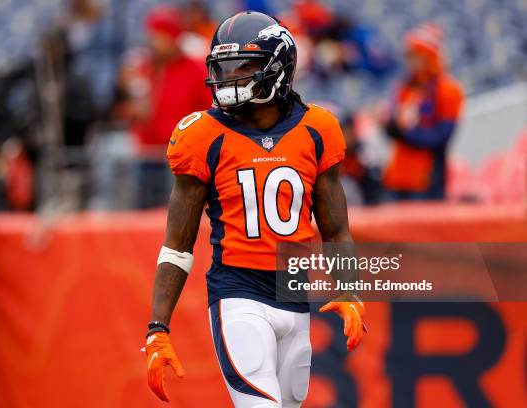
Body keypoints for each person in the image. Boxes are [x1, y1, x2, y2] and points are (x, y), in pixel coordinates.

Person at [143, 12, 366, 407]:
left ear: (277, 68)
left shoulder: (318, 129)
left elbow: (336, 231)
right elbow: (177, 247)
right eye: (223, 67)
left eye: (243, 67)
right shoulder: (202, 135)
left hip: (295, 296)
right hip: (239, 294)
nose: (228, 79)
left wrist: (349, 290)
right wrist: (158, 329)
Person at [114, 5, 210, 208]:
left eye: (160, 36)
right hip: (145, 153)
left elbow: (209, 112)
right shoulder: (144, 67)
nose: (154, 42)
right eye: (152, 36)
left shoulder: (195, 69)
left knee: (174, 203)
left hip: (179, 155)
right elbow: (131, 112)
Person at [382, 23, 464, 200]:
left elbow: (441, 136)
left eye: (415, 56)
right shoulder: (404, 87)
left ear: (429, 56)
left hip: (426, 179)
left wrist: (405, 134)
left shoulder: (448, 89)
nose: (410, 62)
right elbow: (394, 125)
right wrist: (388, 125)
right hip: (397, 176)